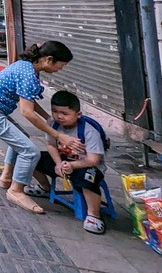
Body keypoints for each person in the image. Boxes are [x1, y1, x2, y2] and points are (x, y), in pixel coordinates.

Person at [0, 41, 84, 214]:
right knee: (30, 151)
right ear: (49, 60)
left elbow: (29, 100)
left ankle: (6, 178)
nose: (59, 70)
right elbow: (27, 112)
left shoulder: (28, 68)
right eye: (60, 66)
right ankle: (16, 190)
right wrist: (58, 135)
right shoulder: (28, 74)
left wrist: (48, 118)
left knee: (22, 138)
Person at [25, 91, 108, 234]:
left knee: (87, 178)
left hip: (86, 164)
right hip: (62, 160)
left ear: (78, 114)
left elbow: (94, 159)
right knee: (31, 157)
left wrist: (73, 165)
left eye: (64, 113)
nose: (59, 116)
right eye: (55, 111)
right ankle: (44, 188)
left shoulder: (89, 131)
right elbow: (51, 145)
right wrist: (58, 163)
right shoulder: (52, 123)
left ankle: (94, 215)